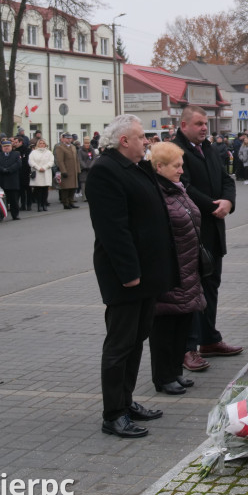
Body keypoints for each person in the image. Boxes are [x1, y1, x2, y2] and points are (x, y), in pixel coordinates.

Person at [86, 115, 174, 439]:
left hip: (145, 273)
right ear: (124, 140)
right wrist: (130, 274)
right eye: (141, 137)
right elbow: (113, 230)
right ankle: (113, 413)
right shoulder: (105, 171)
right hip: (126, 276)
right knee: (120, 344)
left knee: (137, 339)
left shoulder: (133, 167)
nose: (147, 141)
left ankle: (127, 401)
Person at [170, 106, 240, 373]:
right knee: (191, 291)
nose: (204, 128)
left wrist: (228, 201)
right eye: (199, 123)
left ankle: (209, 340)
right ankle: (188, 348)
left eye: (206, 123)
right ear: (184, 125)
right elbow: (184, 187)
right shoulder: (176, 151)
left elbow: (226, 179)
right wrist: (213, 205)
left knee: (211, 286)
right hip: (192, 232)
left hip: (214, 230)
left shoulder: (208, 148)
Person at [147, 142, 206, 396]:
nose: (182, 171)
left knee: (182, 323)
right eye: (176, 166)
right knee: (165, 328)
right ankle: (163, 377)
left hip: (187, 268)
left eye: (182, 165)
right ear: (159, 167)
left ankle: (175, 372)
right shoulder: (156, 192)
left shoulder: (177, 189)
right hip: (170, 271)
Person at [0, 137, 21, 221]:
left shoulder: (16, 154)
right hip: (1, 180)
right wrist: (2, 169)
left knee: (14, 200)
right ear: (2, 147)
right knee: (0, 201)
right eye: (5, 146)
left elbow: (18, 164)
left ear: (11, 147)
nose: (6, 148)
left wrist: (9, 169)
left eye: (8, 146)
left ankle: (15, 215)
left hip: (13, 181)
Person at [28, 138, 55, 211]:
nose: (42, 145)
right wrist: (38, 168)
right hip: (37, 173)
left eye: (43, 143)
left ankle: (44, 204)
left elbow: (51, 161)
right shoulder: (33, 153)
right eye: (40, 143)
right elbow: (31, 162)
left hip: (46, 172)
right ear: (38, 144)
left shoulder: (49, 152)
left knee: (45, 190)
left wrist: (44, 167)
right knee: (38, 190)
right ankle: (39, 205)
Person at [54, 133, 80, 209]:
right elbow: (60, 160)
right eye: (67, 138)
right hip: (66, 170)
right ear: (63, 139)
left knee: (73, 187)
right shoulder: (60, 148)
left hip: (74, 170)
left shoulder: (73, 147)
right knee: (66, 188)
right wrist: (63, 171)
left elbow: (76, 159)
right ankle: (65, 203)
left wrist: (78, 169)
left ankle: (71, 201)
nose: (69, 140)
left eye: (70, 138)